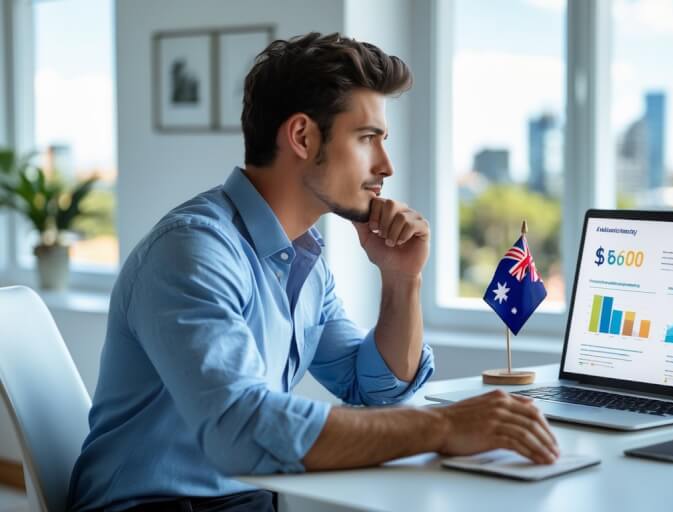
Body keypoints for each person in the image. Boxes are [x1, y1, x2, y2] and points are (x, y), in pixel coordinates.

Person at [67, 32, 558, 512]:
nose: (386, 165)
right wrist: (445, 427)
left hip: (248, 498)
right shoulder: (192, 251)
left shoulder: (301, 259)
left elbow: (372, 387)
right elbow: (241, 429)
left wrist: (401, 280)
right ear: (302, 136)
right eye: (367, 139)